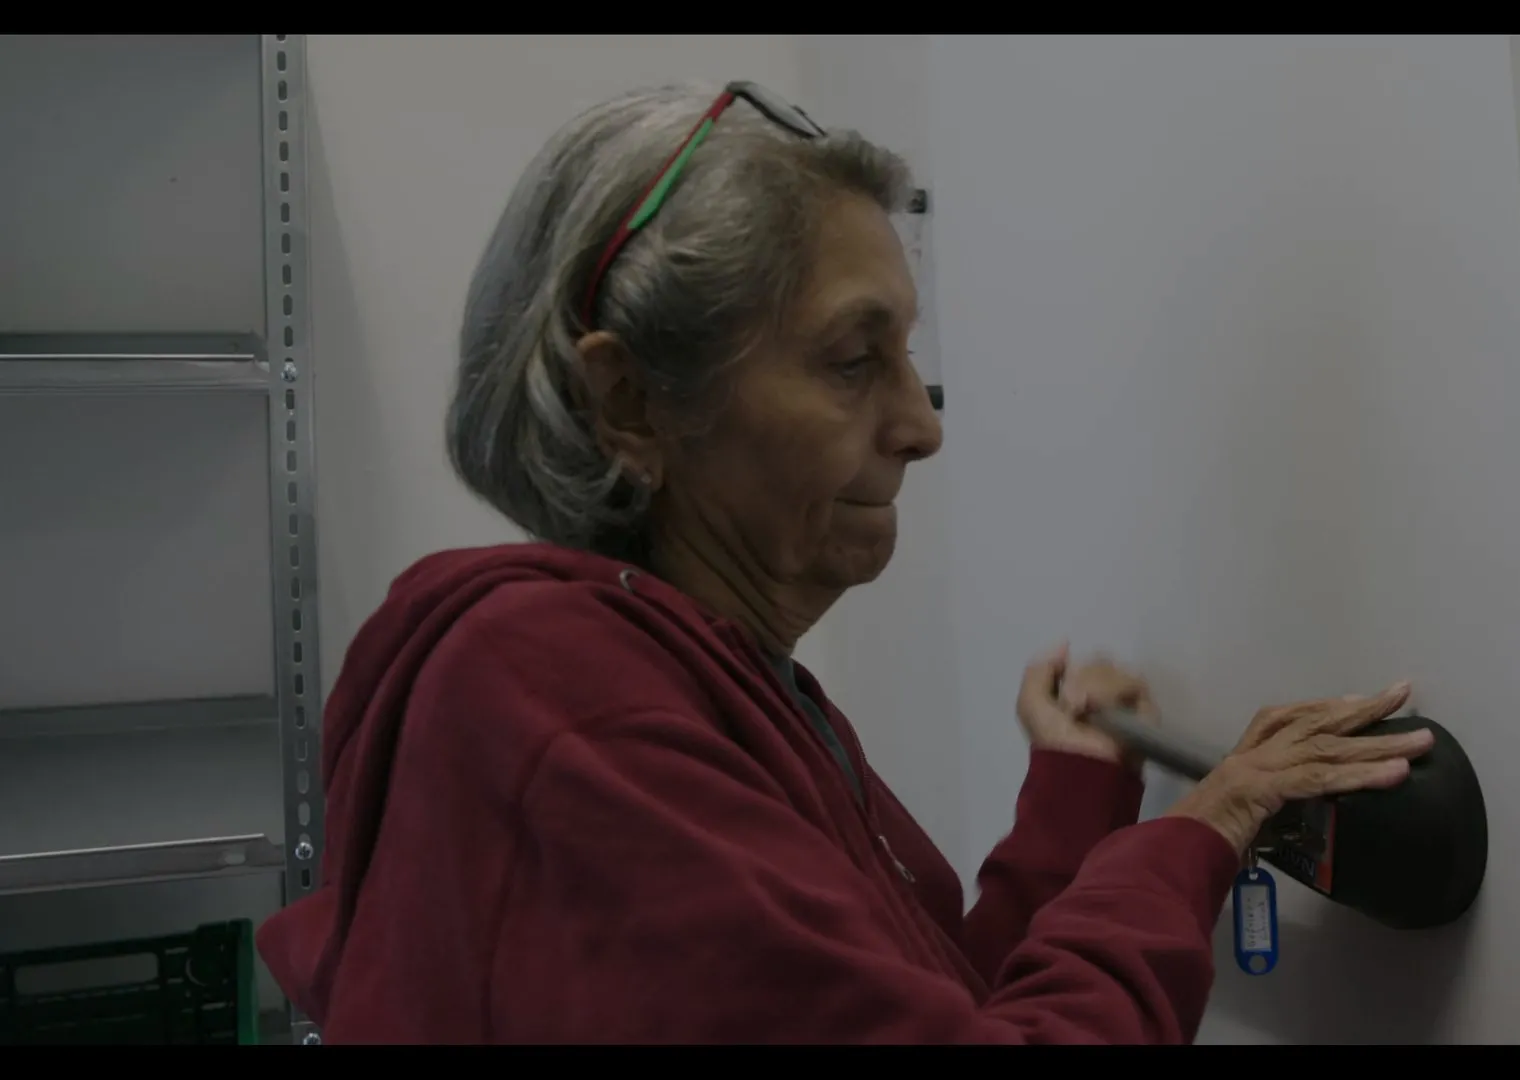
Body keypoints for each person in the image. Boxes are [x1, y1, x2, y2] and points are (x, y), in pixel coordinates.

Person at [256, 81, 1434, 1044]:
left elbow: (937, 1007)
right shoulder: (560, 702)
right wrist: (1201, 833)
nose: (920, 426)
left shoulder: (713, 680)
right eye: (854, 360)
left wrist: (1077, 797)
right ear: (632, 403)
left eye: (909, 357)